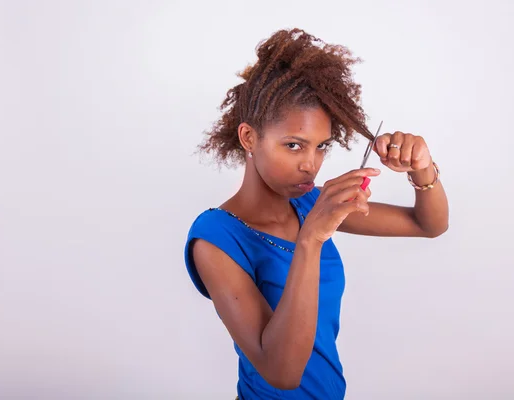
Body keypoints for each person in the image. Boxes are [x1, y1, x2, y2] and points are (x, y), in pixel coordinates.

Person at [184, 28, 449, 400]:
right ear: (249, 138)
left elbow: (428, 225)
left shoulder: (311, 204)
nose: (310, 165)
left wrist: (422, 168)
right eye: (293, 145)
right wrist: (311, 238)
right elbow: (282, 374)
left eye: (321, 146)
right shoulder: (215, 238)